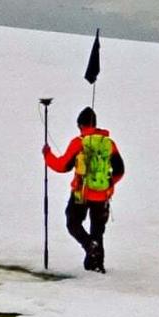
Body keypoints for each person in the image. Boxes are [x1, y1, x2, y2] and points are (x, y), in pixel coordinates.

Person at [43, 106, 125, 272]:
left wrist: (47, 155)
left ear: (80, 125)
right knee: (98, 230)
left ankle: (89, 246)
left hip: (81, 193)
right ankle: (96, 266)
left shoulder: (78, 143)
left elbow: (62, 166)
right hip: (102, 196)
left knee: (72, 222)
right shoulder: (109, 144)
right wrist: (108, 184)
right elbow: (120, 170)